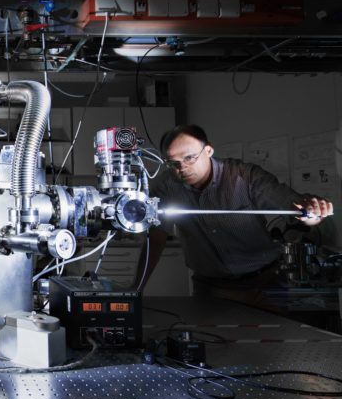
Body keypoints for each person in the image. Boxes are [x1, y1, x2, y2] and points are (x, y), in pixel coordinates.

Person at [135, 124, 333, 311]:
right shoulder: (166, 186)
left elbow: (293, 206)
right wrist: (137, 288)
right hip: (212, 288)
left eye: (189, 158)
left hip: (265, 283)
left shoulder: (245, 176)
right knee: (213, 344)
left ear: (209, 151)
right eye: (173, 163)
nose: (182, 168)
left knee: (275, 341)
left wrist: (312, 213)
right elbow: (156, 238)